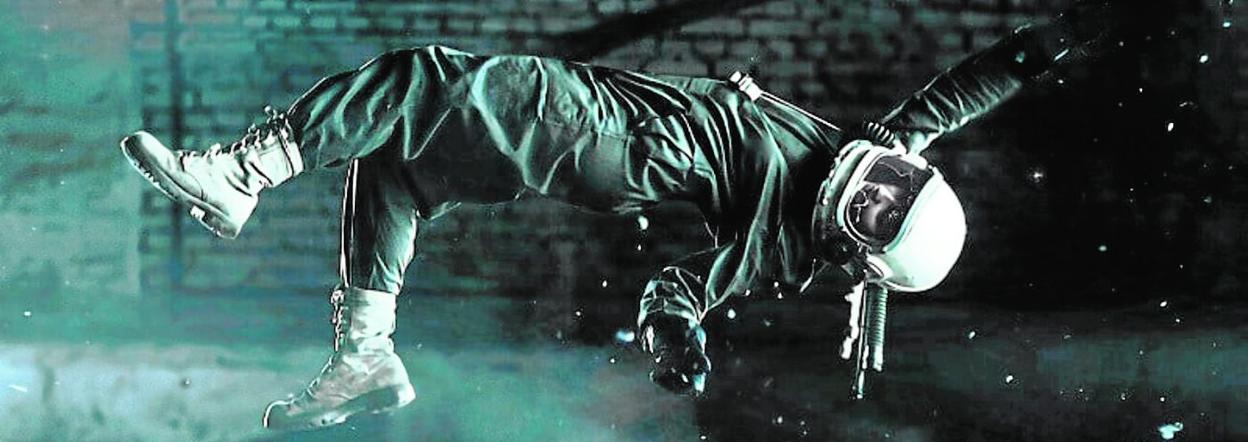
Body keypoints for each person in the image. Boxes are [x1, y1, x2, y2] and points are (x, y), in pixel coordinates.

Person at [120, 2, 1123, 431]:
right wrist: (1053, 40)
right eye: (892, 188)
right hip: (595, 131)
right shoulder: (871, 147)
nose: (870, 192)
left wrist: (675, 335)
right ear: (906, 170)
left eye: (873, 216)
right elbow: (961, 92)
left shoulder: (783, 239)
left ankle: (245, 171)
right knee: (397, 167)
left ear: (858, 254)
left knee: (419, 80)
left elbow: (685, 287)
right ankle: (365, 355)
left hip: (599, 133)